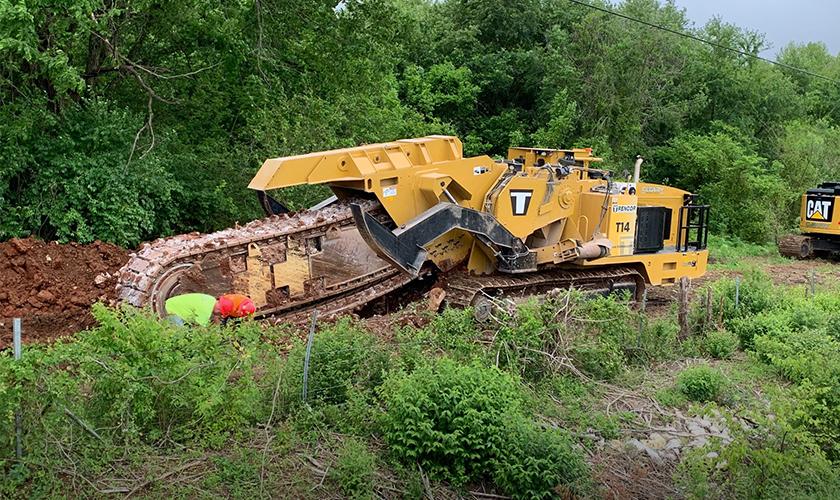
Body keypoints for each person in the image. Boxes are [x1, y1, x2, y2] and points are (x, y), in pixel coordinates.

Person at [164, 293, 256, 326]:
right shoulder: (205, 311)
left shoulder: (211, 300)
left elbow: (216, 317)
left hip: (174, 304)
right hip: (171, 310)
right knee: (182, 337)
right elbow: (200, 330)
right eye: (221, 314)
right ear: (219, 311)